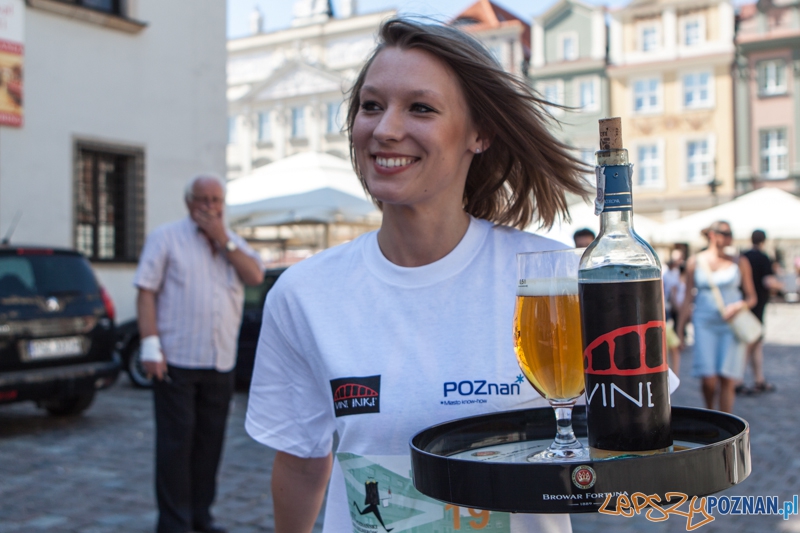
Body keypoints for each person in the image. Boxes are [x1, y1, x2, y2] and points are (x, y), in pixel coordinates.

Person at [245, 18, 589, 533]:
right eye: (371, 105)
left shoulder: (552, 278)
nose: (385, 129)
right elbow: (299, 460)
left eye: (421, 108)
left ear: (480, 133)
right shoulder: (305, 292)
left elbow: (634, 439)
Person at [134, 174, 264, 533]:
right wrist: (149, 345)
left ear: (223, 205)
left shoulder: (233, 243)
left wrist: (223, 240)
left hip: (219, 362)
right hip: (176, 360)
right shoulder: (166, 237)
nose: (209, 206)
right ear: (188, 202)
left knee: (209, 447)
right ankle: (174, 524)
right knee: (176, 447)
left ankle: (200, 518)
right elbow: (146, 291)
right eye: (202, 199)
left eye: (215, 200)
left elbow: (255, 275)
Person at [676, 221, 757, 413]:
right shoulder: (695, 262)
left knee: (727, 377)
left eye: (731, 234)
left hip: (731, 324)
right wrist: (680, 329)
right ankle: (711, 412)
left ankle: (725, 423)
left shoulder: (740, 261)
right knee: (708, 377)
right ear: (712, 235)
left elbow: (752, 296)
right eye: (725, 233)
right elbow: (688, 297)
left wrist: (739, 305)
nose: (729, 237)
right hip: (704, 323)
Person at [740, 229, 782, 394]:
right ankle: (738, 380)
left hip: (745, 305)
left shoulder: (744, 256)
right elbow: (768, 281)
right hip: (756, 306)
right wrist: (782, 285)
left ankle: (759, 379)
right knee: (750, 343)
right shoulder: (764, 258)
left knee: (755, 343)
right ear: (764, 241)